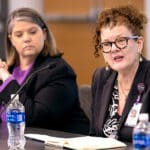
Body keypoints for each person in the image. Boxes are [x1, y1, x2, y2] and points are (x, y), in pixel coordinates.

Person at [0, 7, 89, 134]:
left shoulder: (58, 71)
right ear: (11, 39)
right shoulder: (7, 69)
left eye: (32, 32)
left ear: (44, 34)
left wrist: (7, 79)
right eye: (19, 35)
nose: (26, 39)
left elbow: (33, 118)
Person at [90, 5, 150, 142]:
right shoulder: (100, 77)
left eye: (121, 41)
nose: (114, 49)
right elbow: (93, 134)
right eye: (106, 44)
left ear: (139, 44)